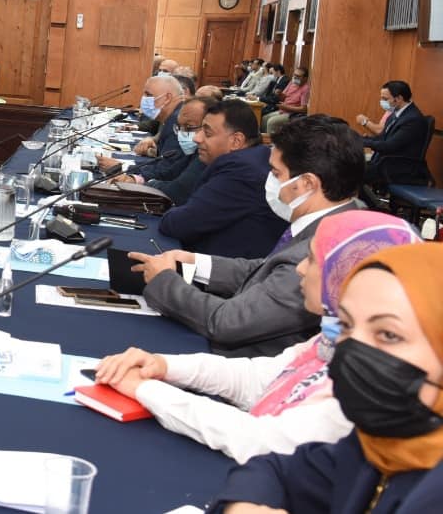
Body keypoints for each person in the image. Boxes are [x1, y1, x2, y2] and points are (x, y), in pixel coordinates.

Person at [96, 210, 420, 464]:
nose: (299, 269)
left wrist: (146, 390)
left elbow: (258, 440)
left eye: (312, 259)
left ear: (347, 275)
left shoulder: (374, 374)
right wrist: (164, 366)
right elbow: (259, 379)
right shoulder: (334, 335)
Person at [209, 242, 443, 513]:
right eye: (346, 325)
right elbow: (275, 470)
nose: (353, 348)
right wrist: (245, 504)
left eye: (388, 334)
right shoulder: (380, 441)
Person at [129, 115, 363, 357]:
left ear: (307, 183)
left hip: (248, 359)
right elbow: (265, 270)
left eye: (276, 173)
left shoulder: (322, 248)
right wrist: (195, 262)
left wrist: (165, 280)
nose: (269, 180)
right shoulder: (337, 219)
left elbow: (228, 322)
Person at [157, 99, 290, 258]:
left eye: (207, 133)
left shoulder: (241, 172)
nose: (197, 138)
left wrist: (171, 213)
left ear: (236, 141)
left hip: (224, 269)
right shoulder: (254, 157)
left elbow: (179, 224)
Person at [100, 74, 192, 184]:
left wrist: (123, 167)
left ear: (167, 98)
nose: (144, 98)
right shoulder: (173, 116)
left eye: (148, 95)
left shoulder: (178, 120)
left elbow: (165, 171)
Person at [121, 97, 209, 201]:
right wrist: (136, 179)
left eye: (189, 127)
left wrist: (144, 183)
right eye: (179, 127)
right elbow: (170, 172)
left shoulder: (207, 156)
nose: (181, 133)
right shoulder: (194, 151)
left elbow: (177, 190)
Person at [361, 80, 431, 189]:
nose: (382, 102)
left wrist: (363, 142)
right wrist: (365, 139)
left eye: (385, 99)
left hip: (399, 168)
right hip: (386, 163)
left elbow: (389, 146)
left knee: (351, 172)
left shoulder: (413, 119)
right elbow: (383, 137)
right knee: (349, 167)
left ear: (398, 98)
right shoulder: (396, 114)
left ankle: (368, 200)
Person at [263, 66, 311, 135]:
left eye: (298, 76)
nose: (295, 78)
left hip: (292, 114)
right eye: (294, 75)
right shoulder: (292, 83)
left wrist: (286, 107)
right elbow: (283, 98)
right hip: (283, 110)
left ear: (305, 78)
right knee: (265, 118)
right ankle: (265, 139)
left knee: (271, 122)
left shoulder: (305, 89)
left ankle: (273, 141)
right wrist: (279, 93)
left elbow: (303, 109)